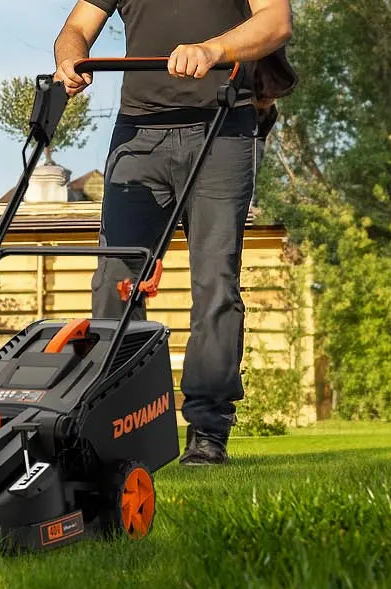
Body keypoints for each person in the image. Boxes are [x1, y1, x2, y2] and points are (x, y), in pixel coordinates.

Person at [52, 0, 292, 465]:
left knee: (215, 280)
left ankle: (208, 429)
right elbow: (76, 27)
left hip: (223, 127)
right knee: (115, 279)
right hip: (138, 136)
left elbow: (276, 22)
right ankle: (118, 422)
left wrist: (213, 49)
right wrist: (69, 58)